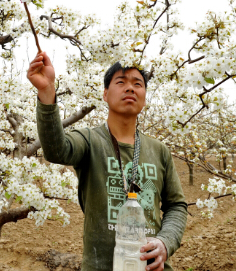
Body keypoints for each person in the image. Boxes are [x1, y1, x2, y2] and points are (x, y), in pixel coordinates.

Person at [27, 52, 187, 271]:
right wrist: (46, 92)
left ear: (145, 95)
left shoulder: (159, 151)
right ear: (105, 93)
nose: (130, 88)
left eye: (137, 84)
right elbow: (56, 150)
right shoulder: (90, 140)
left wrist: (165, 242)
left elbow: (176, 205)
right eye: (120, 82)